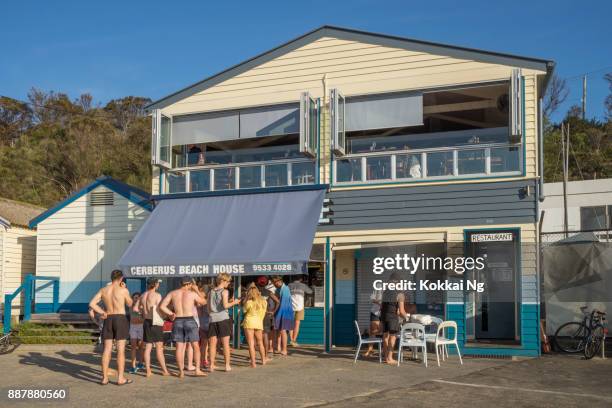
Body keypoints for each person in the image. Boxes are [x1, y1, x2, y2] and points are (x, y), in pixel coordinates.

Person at [88, 269, 133, 385]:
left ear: (111, 278)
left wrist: (102, 312)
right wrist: (125, 289)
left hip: (108, 318)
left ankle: (104, 378)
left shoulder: (103, 290)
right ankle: (120, 378)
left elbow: (92, 304)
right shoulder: (123, 290)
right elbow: (130, 304)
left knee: (107, 349)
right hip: (120, 318)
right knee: (120, 350)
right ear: (121, 278)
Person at [159, 277, 207, 378]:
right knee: (195, 345)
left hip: (178, 320)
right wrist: (197, 290)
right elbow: (203, 302)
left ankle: (181, 372)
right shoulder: (192, 293)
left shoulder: (173, 293)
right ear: (189, 284)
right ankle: (197, 370)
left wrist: (171, 314)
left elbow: (162, 306)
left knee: (179, 348)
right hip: (189, 319)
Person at [137, 278, 170, 377]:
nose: (158, 285)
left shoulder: (143, 295)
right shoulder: (157, 295)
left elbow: (136, 308)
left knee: (148, 347)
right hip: (155, 322)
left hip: (146, 322)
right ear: (155, 284)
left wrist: (143, 312)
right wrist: (167, 316)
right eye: (158, 283)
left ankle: (148, 371)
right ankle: (164, 370)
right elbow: (161, 308)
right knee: (159, 348)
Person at [208, 273, 240, 372]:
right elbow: (225, 305)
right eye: (228, 281)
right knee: (225, 344)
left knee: (212, 344)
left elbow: (208, 308)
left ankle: (211, 365)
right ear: (223, 281)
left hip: (212, 319)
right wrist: (234, 302)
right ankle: (227, 365)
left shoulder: (210, 292)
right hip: (223, 318)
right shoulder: (225, 291)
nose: (229, 283)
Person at [381, 273, 408, 365]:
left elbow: (382, 306)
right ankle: (390, 358)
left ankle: (385, 357)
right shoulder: (400, 295)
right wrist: (407, 317)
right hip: (392, 318)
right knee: (392, 337)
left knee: (385, 337)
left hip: (384, 316)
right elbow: (402, 311)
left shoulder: (385, 292)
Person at [242, 283, 269, 367]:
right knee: (260, 342)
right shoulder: (264, 301)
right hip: (259, 322)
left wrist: (246, 298)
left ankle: (253, 363)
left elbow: (244, 311)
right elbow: (264, 312)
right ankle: (263, 360)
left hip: (249, 322)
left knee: (251, 343)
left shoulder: (249, 302)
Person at [256, 276, 279, 356]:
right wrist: (273, 312)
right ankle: (265, 355)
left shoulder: (254, 292)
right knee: (265, 335)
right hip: (266, 315)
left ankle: (253, 356)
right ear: (266, 283)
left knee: (255, 336)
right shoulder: (268, 292)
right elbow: (278, 302)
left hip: (256, 316)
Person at [271, 276, 294, 356]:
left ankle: (284, 349)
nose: (274, 284)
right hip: (280, 312)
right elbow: (277, 302)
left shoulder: (285, 289)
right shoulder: (278, 289)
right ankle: (279, 348)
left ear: (279, 281)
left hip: (285, 313)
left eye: (274, 282)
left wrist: (275, 313)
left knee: (283, 331)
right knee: (279, 331)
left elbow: (282, 304)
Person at [288, 275, 313, 346]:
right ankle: (294, 340)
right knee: (297, 324)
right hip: (300, 306)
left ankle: (291, 339)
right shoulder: (303, 285)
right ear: (301, 279)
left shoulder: (289, 285)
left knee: (290, 324)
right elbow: (310, 292)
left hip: (290, 307)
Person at [128, 292, 145, 373]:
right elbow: (134, 319)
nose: (137, 299)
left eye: (138, 297)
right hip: (133, 327)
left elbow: (143, 318)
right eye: (135, 297)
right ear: (133, 298)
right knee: (133, 346)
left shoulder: (142, 307)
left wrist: (141, 319)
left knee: (141, 346)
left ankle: (141, 363)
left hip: (141, 327)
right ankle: (133, 366)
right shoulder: (131, 306)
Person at [364, 288, 383, 358]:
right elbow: (372, 299)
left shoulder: (394, 290)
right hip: (375, 312)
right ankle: (370, 349)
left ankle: (384, 350)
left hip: (387, 313)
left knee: (386, 332)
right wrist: (379, 302)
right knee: (373, 331)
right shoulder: (378, 289)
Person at [197, 281, 211, 369]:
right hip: (208, 323)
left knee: (203, 344)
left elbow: (198, 313)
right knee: (207, 344)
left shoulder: (199, 300)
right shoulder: (207, 301)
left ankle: (202, 360)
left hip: (201, 323)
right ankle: (205, 360)